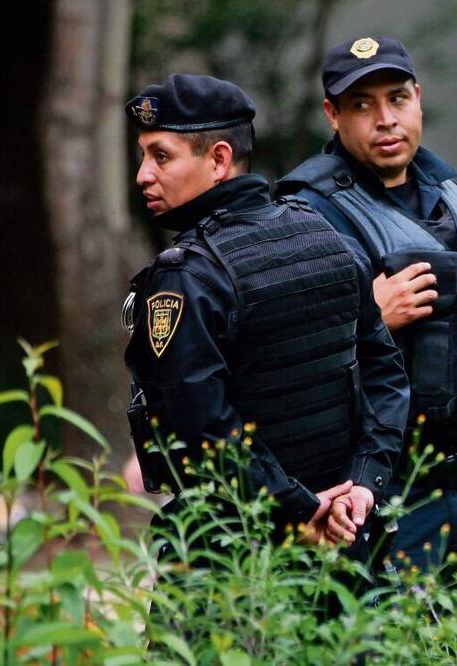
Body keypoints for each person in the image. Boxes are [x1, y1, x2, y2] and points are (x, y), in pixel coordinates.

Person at [276, 36, 457, 647]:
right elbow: (282, 362)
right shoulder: (307, 215)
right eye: (362, 104)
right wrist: (373, 318)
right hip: (371, 491)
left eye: (397, 98)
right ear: (332, 116)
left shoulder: (450, 196)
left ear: (418, 99)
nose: (385, 118)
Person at [123, 74, 409, 553]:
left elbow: (202, 430)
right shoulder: (328, 238)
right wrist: (362, 487)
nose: (143, 175)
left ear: (219, 160)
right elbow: (387, 376)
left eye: (161, 156)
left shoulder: (187, 276)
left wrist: (300, 510)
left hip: (236, 555)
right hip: (346, 544)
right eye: (144, 156)